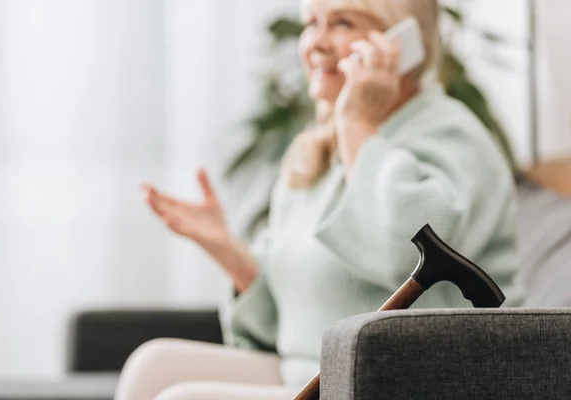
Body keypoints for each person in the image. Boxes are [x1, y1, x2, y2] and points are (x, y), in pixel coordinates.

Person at [114, 0, 524, 398]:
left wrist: (357, 122)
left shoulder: (452, 136)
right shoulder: (316, 153)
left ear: (405, 40)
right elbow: (282, 328)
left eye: (343, 22)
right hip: (321, 375)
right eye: (312, 22)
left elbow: (406, 256)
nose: (316, 42)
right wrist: (229, 253)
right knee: (153, 367)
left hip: (411, 380)